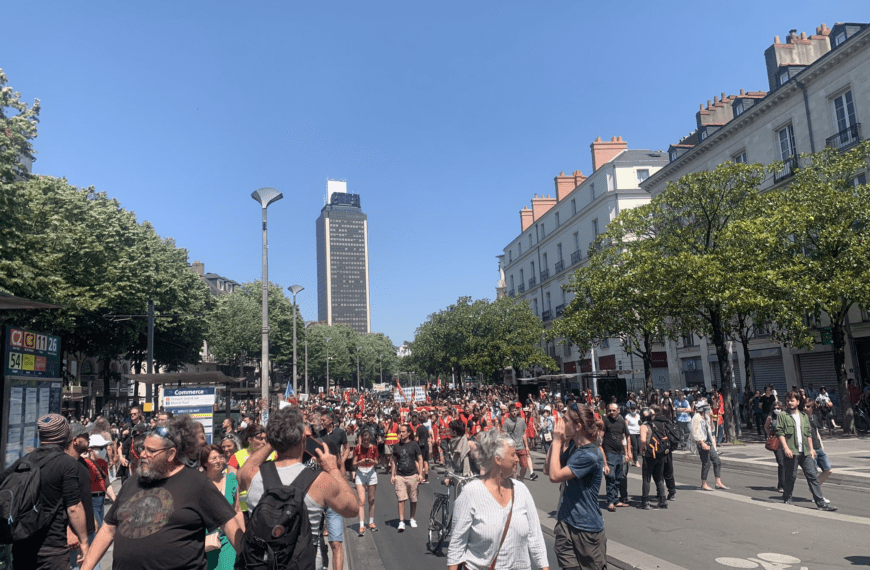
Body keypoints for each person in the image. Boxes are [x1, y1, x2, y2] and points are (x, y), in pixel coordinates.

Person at [80, 415, 245, 570]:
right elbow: (108, 529)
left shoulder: (197, 483)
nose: (143, 454)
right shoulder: (134, 481)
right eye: (143, 448)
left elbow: (230, 523)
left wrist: (248, 562)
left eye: (151, 451)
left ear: (171, 454)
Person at [240, 406, 358, 570]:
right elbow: (352, 508)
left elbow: (244, 470)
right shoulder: (320, 481)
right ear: (304, 437)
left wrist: (273, 441)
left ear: (272, 439)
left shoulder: (252, 476)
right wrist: (333, 469)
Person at [447, 430, 549, 570]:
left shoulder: (521, 490)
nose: (517, 459)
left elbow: (535, 538)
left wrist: (544, 567)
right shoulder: (470, 493)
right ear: (497, 459)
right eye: (512, 455)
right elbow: (456, 547)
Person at [0, 414, 90, 570]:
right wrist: (84, 541)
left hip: (22, 545)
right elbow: (74, 507)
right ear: (65, 435)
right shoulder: (67, 464)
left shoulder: (24, 461)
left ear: (41, 435)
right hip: (52, 550)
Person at [547, 403, 606, 570]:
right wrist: (556, 441)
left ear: (578, 426)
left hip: (586, 528)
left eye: (565, 421)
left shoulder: (589, 455)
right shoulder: (574, 446)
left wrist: (558, 441)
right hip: (566, 522)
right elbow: (548, 469)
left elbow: (554, 476)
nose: (561, 424)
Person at [776, 391, 837, 510]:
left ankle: (821, 503)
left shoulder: (803, 416)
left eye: (792, 400)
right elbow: (780, 433)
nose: (789, 403)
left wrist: (811, 449)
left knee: (812, 476)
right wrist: (785, 448)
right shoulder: (783, 416)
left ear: (798, 402)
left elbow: (808, 434)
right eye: (788, 400)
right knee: (791, 476)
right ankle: (787, 498)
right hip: (791, 451)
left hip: (805, 451)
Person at [200, 444, 240, 570]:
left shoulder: (232, 480)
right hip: (206, 539)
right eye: (214, 458)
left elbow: (237, 510)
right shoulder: (199, 483)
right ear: (205, 463)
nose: (218, 461)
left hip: (228, 537)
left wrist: (241, 537)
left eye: (220, 457)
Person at [318, 409, 349, 570]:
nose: (321, 422)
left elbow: (346, 448)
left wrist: (340, 463)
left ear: (331, 420)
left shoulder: (340, 433)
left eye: (323, 419)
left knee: (336, 542)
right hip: (320, 485)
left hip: (336, 478)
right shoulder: (319, 434)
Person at [68, 423, 99, 570]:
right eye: (85, 436)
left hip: (88, 530)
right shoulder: (65, 465)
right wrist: (69, 530)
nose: (89, 439)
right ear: (75, 440)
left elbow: (84, 496)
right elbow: (63, 502)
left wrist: (91, 518)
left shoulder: (83, 463)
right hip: (74, 534)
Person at [391, 424, 423, 531]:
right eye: (400, 432)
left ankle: (412, 518)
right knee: (401, 499)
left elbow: (420, 459)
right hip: (400, 476)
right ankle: (401, 521)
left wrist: (420, 474)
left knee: (413, 499)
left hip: (412, 475)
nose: (401, 434)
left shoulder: (414, 445)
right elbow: (394, 461)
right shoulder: (396, 446)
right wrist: (393, 475)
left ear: (409, 433)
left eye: (403, 432)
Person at [691, 399, 728, 492]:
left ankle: (718, 482)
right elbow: (694, 432)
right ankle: (704, 484)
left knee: (717, 460)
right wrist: (702, 443)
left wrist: (711, 419)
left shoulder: (706, 417)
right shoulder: (696, 417)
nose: (709, 410)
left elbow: (711, 429)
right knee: (706, 463)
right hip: (701, 442)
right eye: (707, 408)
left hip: (709, 442)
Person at [601, 403, 632, 511]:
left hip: (620, 454)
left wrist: (627, 452)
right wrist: (604, 461)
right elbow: (600, 439)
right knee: (611, 477)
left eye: (614, 410)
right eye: (609, 410)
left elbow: (626, 436)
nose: (611, 412)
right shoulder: (605, 421)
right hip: (609, 453)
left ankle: (616, 500)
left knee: (618, 478)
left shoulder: (621, 421)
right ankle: (610, 501)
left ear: (618, 410)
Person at [638, 406, 667, 510]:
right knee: (659, 478)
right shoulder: (660, 424)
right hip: (660, 454)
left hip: (649, 455)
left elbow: (642, 440)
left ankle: (645, 502)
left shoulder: (644, 426)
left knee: (646, 478)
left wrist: (642, 450)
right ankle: (663, 501)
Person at [352, 427, 379, 536]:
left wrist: (372, 461)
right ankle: (361, 524)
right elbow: (353, 464)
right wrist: (360, 461)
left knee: (371, 499)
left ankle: (371, 522)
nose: (366, 442)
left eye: (368, 440)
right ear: (362, 439)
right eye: (364, 440)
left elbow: (377, 463)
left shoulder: (374, 448)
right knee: (361, 500)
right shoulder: (357, 448)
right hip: (361, 473)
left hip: (371, 472)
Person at [502, 403, 537, 482]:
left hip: (521, 446)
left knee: (524, 466)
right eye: (512, 411)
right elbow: (504, 434)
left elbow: (524, 434)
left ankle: (521, 480)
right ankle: (515, 483)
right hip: (512, 448)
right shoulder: (507, 422)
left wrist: (527, 446)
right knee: (514, 468)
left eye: (515, 411)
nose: (514, 412)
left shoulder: (521, 421)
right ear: (509, 412)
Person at [764, 402, 786, 492]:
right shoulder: (771, 417)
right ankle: (781, 485)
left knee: (787, 464)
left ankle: (785, 482)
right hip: (777, 442)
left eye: (779, 408)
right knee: (781, 463)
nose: (777, 410)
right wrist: (770, 435)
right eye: (775, 408)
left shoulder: (786, 416)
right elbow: (766, 427)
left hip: (787, 441)